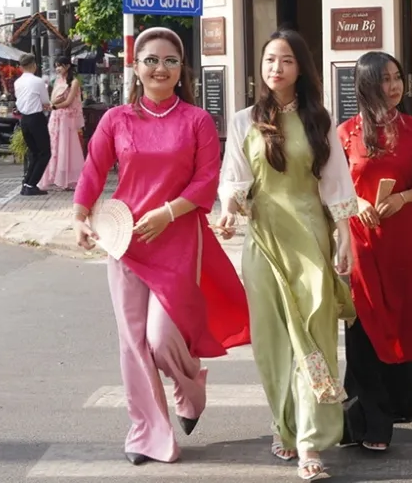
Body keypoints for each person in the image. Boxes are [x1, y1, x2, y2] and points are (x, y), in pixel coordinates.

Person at [73, 26, 250, 466]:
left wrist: (168, 212)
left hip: (177, 239)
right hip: (126, 240)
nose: (160, 68)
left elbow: (206, 178)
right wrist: (79, 216)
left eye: (170, 61)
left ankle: (190, 386)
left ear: (181, 69)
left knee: (160, 337)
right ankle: (146, 433)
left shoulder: (197, 120)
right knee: (133, 342)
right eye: (151, 59)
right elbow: (94, 169)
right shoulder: (117, 119)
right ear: (136, 67)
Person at [216, 29, 357, 482]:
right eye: (270, 60)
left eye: (287, 61)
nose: (277, 68)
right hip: (263, 242)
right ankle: (284, 424)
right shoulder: (244, 121)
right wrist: (227, 212)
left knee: (313, 334)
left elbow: (336, 183)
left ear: (301, 68)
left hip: (311, 240)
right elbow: (234, 181)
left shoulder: (319, 120)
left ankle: (310, 441)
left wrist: (345, 235)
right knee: (274, 342)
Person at [336, 51, 412, 452]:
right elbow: (334, 188)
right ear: (366, 84)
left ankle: (398, 403)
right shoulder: (345, 132)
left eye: (397, 77)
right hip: (361, 244)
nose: (394, 86)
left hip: (402, 241)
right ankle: (371, 421)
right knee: (363, 330)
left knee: (404, 321)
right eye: (384, 79)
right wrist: (358, 203)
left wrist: (403, 198)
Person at [39, 55, 85, 190]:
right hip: (55, 118)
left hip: (66, 119)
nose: (58, 69)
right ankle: (53, 177)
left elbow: (68, 101)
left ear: (68, 66)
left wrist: (54, 106)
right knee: (54, 146)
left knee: (66, 147)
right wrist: (52, 105)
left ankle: (67, 178)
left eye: (60, 65)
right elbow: (54, 98)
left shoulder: (75, 82)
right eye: (56, 66)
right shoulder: (58, 81)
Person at [14, 54, 52, 196]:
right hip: (36, 118)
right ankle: (30, 184)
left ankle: (27, 183)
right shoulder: (38, 81)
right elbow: (45, 101)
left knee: (34, 153)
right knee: (45, 153)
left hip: (24, 120)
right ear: (33, 65)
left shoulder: (17, 82)